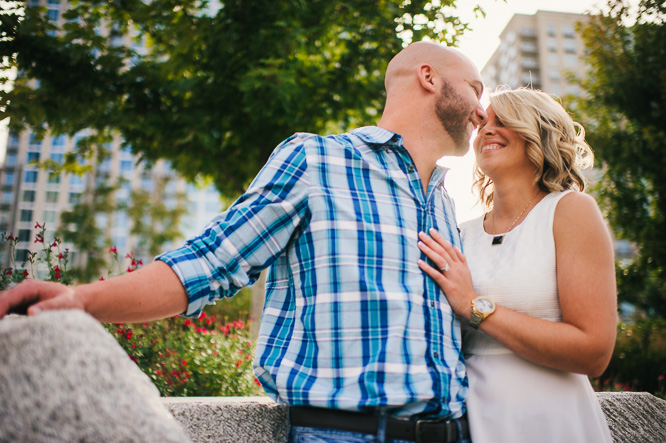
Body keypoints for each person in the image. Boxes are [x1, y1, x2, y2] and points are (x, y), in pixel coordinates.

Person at [0, 41, 487, 443]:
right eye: (475, 88)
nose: (482, 110)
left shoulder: (444, 203)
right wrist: (79, 300)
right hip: (346, 435)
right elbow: (211, 261)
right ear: (429, 77)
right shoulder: (316, 159)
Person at [417, 87, 616, 442]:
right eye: (484, 123)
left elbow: (594, 351)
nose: (487, 131)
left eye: (504, 121)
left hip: (553, 421)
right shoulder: (459, 231)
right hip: (474, 422)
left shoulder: (570, 210)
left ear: (539, 133)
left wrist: (476, 307)